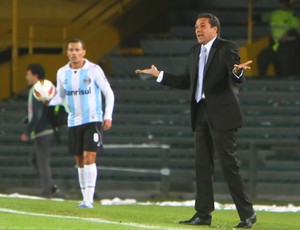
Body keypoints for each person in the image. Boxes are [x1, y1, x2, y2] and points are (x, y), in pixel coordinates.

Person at [135, 13, 256, 228]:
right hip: (200, 114)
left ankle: (247, 215)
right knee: (202, 166)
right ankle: (203, 215)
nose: (197, 30)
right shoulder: (194, 52)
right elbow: (185, 81)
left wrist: (237, 72)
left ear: (215, 29)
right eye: (195, 27)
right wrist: (159, 75)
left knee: (229, 165)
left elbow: (234, 73)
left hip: (222, 114)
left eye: (202, 26)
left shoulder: (226, 48)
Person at [51, 38, 114, 208]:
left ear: (84, 52)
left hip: (93, 119)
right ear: (67, 52)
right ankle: (84, 197)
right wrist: (48, 99)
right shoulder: (62, 72)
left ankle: (88, 199)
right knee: (79, 160)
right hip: (73, 121)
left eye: (77, 50)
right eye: (71, 50)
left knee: (89, 157)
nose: (74, 53)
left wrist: (108, 115)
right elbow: (61, 96)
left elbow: (108, 93)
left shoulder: (93, 70)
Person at [20, 63, 59, 198]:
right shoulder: (46, 87)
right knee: (35, 160)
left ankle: (47, 192)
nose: (26, 77)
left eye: (28, 74)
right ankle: (50, 186)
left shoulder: (37, 89)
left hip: (44, 131)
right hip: (48, 129)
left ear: (35, 75)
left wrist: (27, 131)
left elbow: (37, 114)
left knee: (42, 162)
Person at [257, 0, 300, 77]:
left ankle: (287, 80)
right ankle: (262, 78)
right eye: (282, 2)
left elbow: (297, 28)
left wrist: (289, 33)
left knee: (285, 60)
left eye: (285, 2)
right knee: (262, 57)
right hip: (275, 45)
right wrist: (253, 18)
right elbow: (264, 17)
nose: (283, 4)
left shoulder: (292, 15)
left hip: (288, 45)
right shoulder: (274, 14)